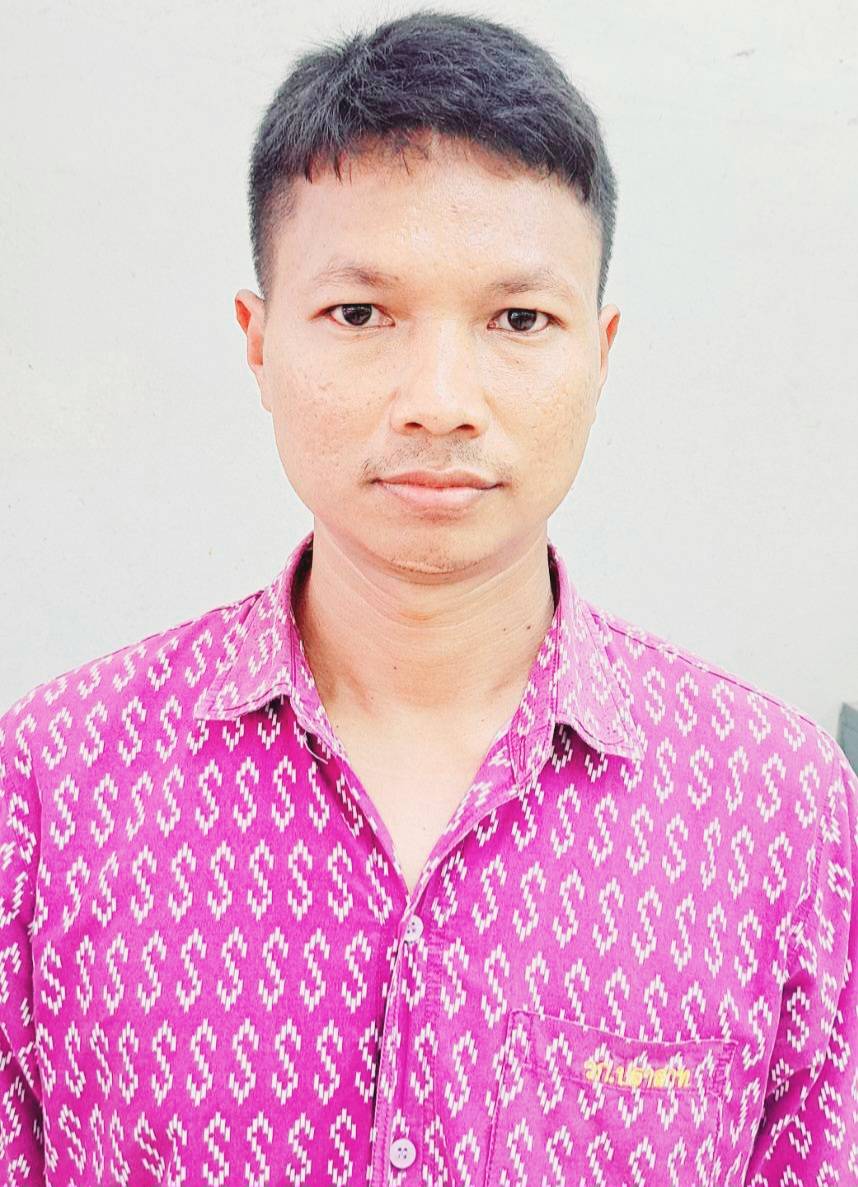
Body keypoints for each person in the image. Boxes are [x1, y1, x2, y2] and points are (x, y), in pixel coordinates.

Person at [1, 8, 855, 1185]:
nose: (440, 399)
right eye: (360, 313)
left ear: (600, 351)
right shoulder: (51, 788)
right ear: (258, 341)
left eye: (520, 318)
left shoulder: (779, 807)